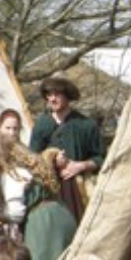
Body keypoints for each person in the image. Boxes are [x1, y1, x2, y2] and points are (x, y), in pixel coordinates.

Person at [0, 136, 76, 260]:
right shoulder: (30, 167)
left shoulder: (12, 175)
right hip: (61, 214)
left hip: (44, 225)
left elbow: (16, 213)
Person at [28, 76, 104, 222]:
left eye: (57, 94)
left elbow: (101, 158)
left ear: (67, 96)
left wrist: (81, 165)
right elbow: (33, 160)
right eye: (49, 95)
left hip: (79, 188)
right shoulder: (41, 125)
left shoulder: (86, 125)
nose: (52, 99)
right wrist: (51, 160)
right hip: (49, 191)